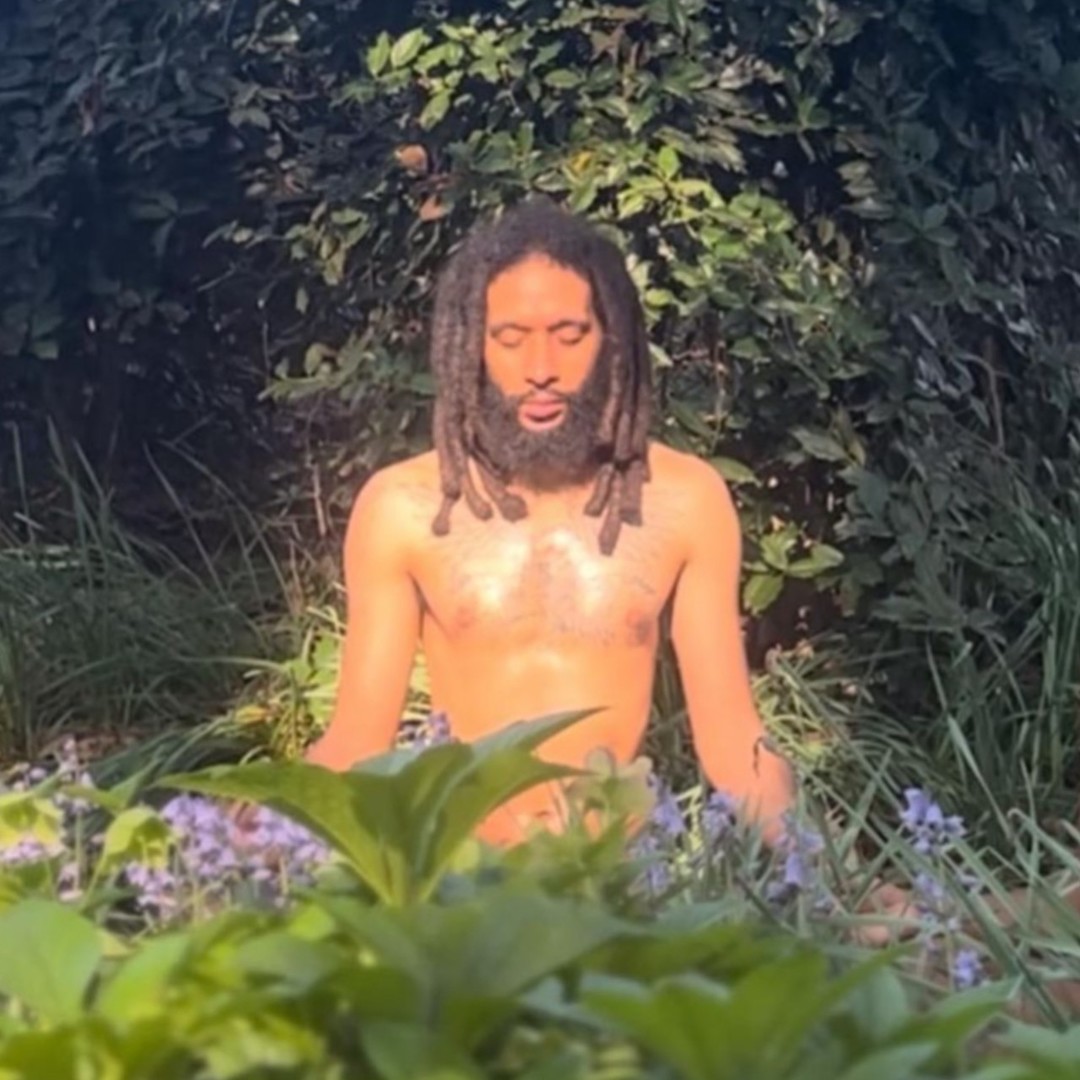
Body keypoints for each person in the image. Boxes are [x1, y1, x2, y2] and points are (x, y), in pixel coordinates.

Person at [305, 198, 794, 846]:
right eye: (510, 340)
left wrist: (826, 876)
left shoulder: (686, 500)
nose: (540, 369)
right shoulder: (403, 509)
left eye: (569, 335)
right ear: (472, 346)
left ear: (611, 340)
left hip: (615, 880)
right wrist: (249, 840)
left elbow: (735, 746)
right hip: (461, 876)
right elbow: (355, 747)